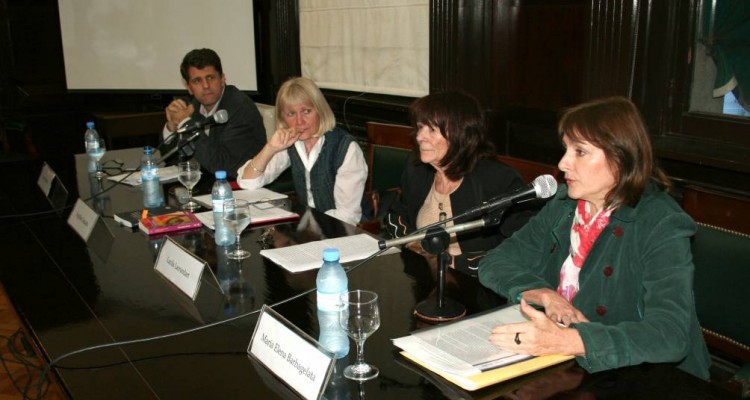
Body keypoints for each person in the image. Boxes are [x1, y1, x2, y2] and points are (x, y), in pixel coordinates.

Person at [478, 96, 711, 380]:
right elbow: (495, 261)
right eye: (565, 149)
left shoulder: (662, 222)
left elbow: (670, 335)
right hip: (572, 370)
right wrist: (544, 294)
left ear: (620, 157)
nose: (563, 164)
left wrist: (569, 341)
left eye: (580, 151)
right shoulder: (564, 205)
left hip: (645, 377)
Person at [383, 91, 529, 277]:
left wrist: (451, 261)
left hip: (477, 284)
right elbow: (396, 215)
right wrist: (413, 243)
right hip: (424, 276)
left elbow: (522, 248)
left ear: (460, 134)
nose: (420, 136)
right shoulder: (417, 169)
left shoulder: (497, 180)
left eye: (431, 130)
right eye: (420, 127)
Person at [236, 77, 367, 225]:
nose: (299, 121)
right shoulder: (292, 143)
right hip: (310, 229)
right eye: (291, 114)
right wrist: (270, 148)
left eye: (306, 111)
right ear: (283, 118)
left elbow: (347, 216)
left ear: (320, 110)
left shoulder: (346, 148)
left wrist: (305, 234)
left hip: (347, 232)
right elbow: (248, 182)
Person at [161, 48, 266, 179]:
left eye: (210, 78)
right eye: (197, 81)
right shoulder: (193, 107)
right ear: (189, 87)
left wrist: (185, 123)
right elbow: (171, 160)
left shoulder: (241, 108)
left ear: (222, 79)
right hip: (207, 184)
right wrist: (172, 126)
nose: (206, 86)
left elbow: (222, 166)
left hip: (239, 187)